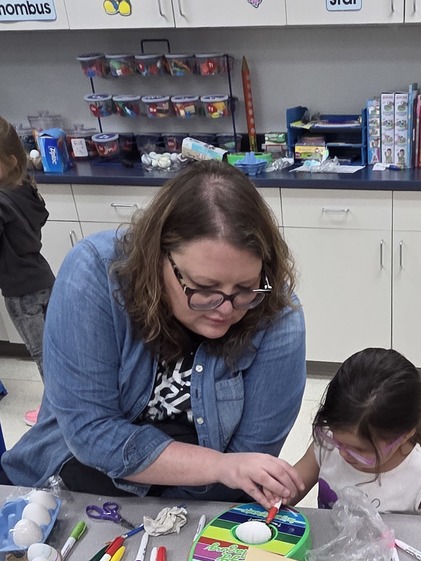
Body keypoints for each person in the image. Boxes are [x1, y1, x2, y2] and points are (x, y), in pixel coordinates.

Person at [1, 160, 306, 505]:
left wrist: (189, 505)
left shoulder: (276, 311)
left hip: (196, 498)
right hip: (69, 480)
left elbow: (249, 463)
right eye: (204, 287)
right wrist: (219, 465)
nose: (226, 308)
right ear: (157, 257)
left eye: (245, 287)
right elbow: (90, 434)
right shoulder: (95, 274)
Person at [292, 347, 421, 515]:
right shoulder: (326, 445)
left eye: (360, 450)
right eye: (337, 440)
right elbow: (291, 489)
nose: (343, 453)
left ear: (405, 435)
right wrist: (276, 489)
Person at [0, 116, 55, 427]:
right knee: (58, 349)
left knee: (43, 356)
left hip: (21, 292)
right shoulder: (24, 187)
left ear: (8, 161)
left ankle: (57, 414)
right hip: (44, 278)